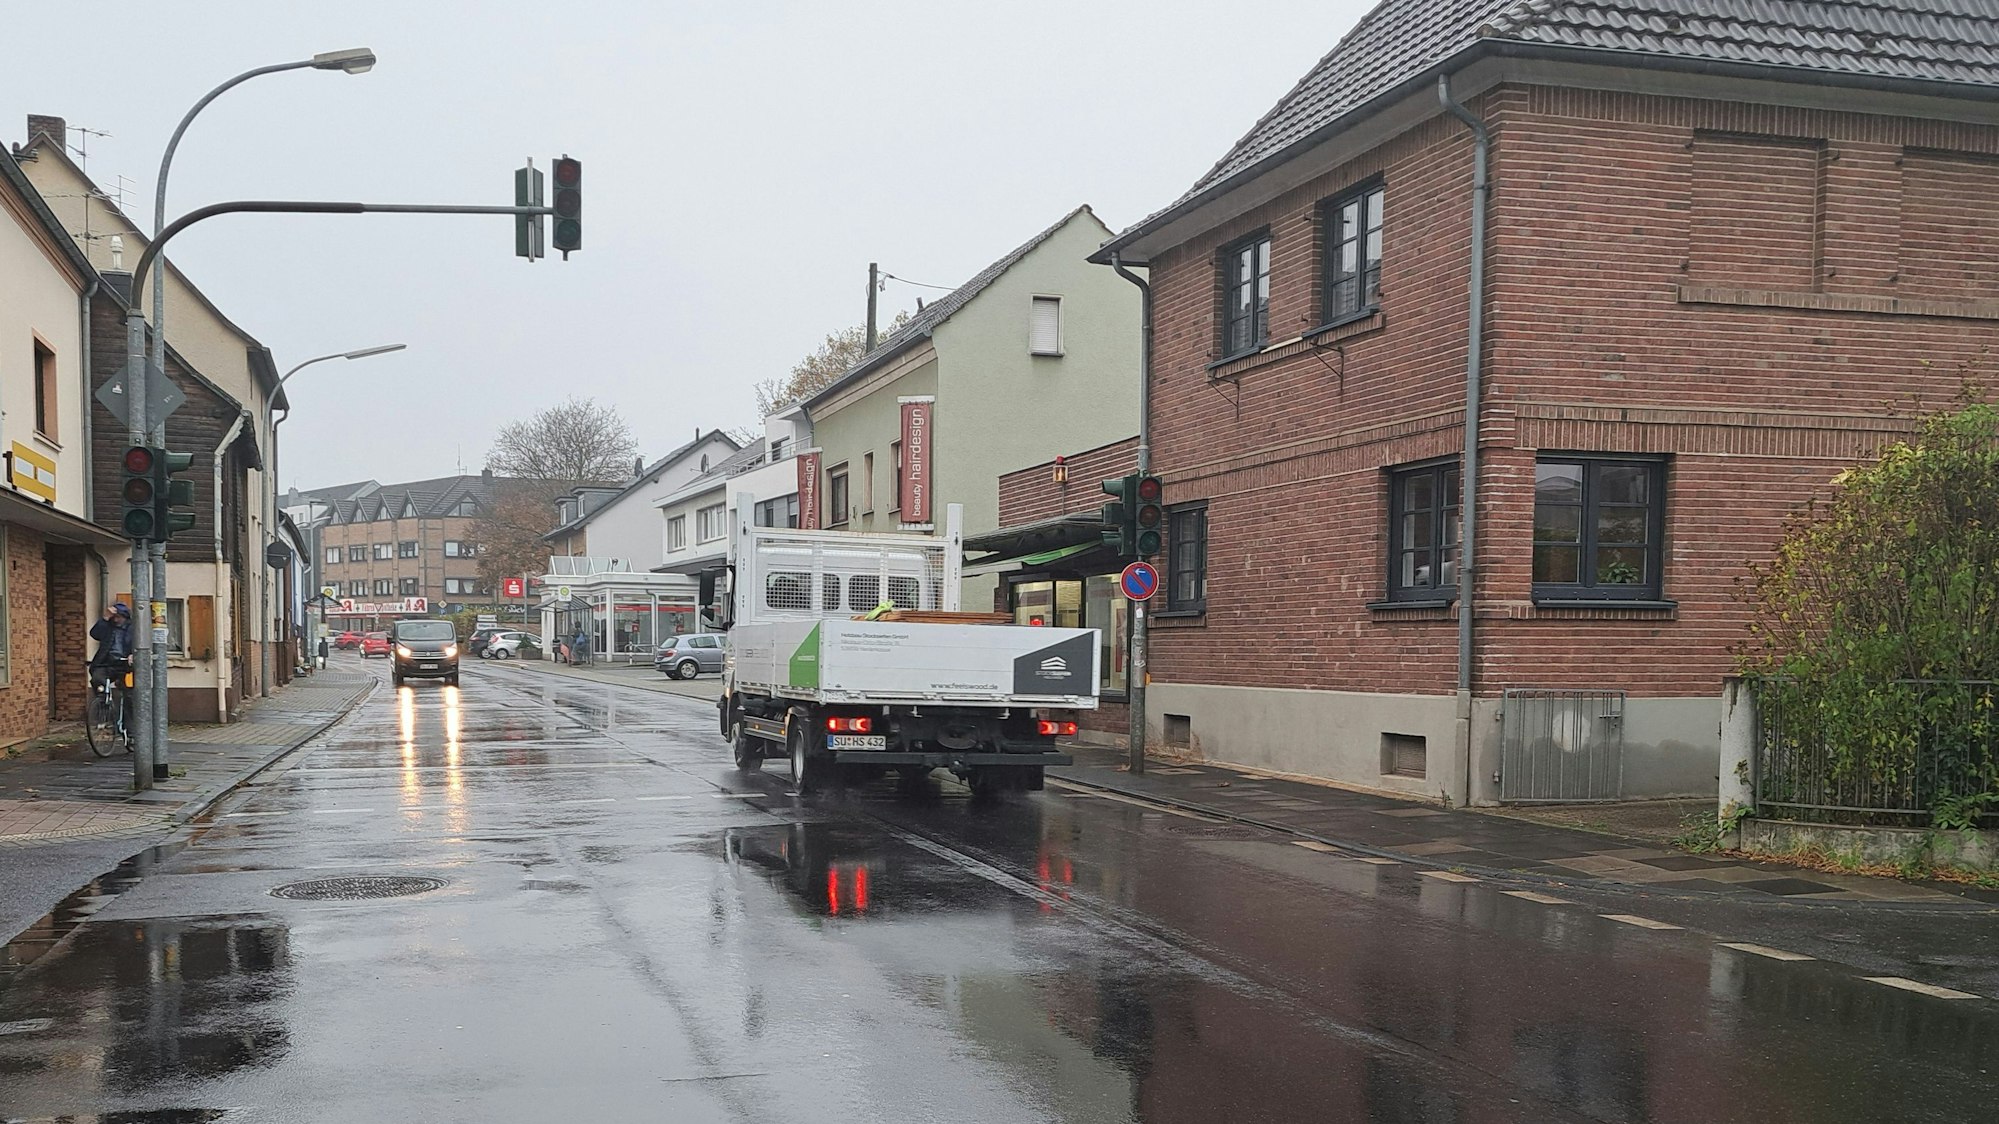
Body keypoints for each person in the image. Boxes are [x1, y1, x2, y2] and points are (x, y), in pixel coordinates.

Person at [89, 602, 134, 682]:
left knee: (130, 684)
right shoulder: (107, 625)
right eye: (114, 617)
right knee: (97, 679)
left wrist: (133, 654)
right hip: (107, 662)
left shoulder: (132, 628)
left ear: (125, 617)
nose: (116, 620)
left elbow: (142, 644)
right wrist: (105, 618)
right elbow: (94, 634)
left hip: (126, 662)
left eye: (118, 617)